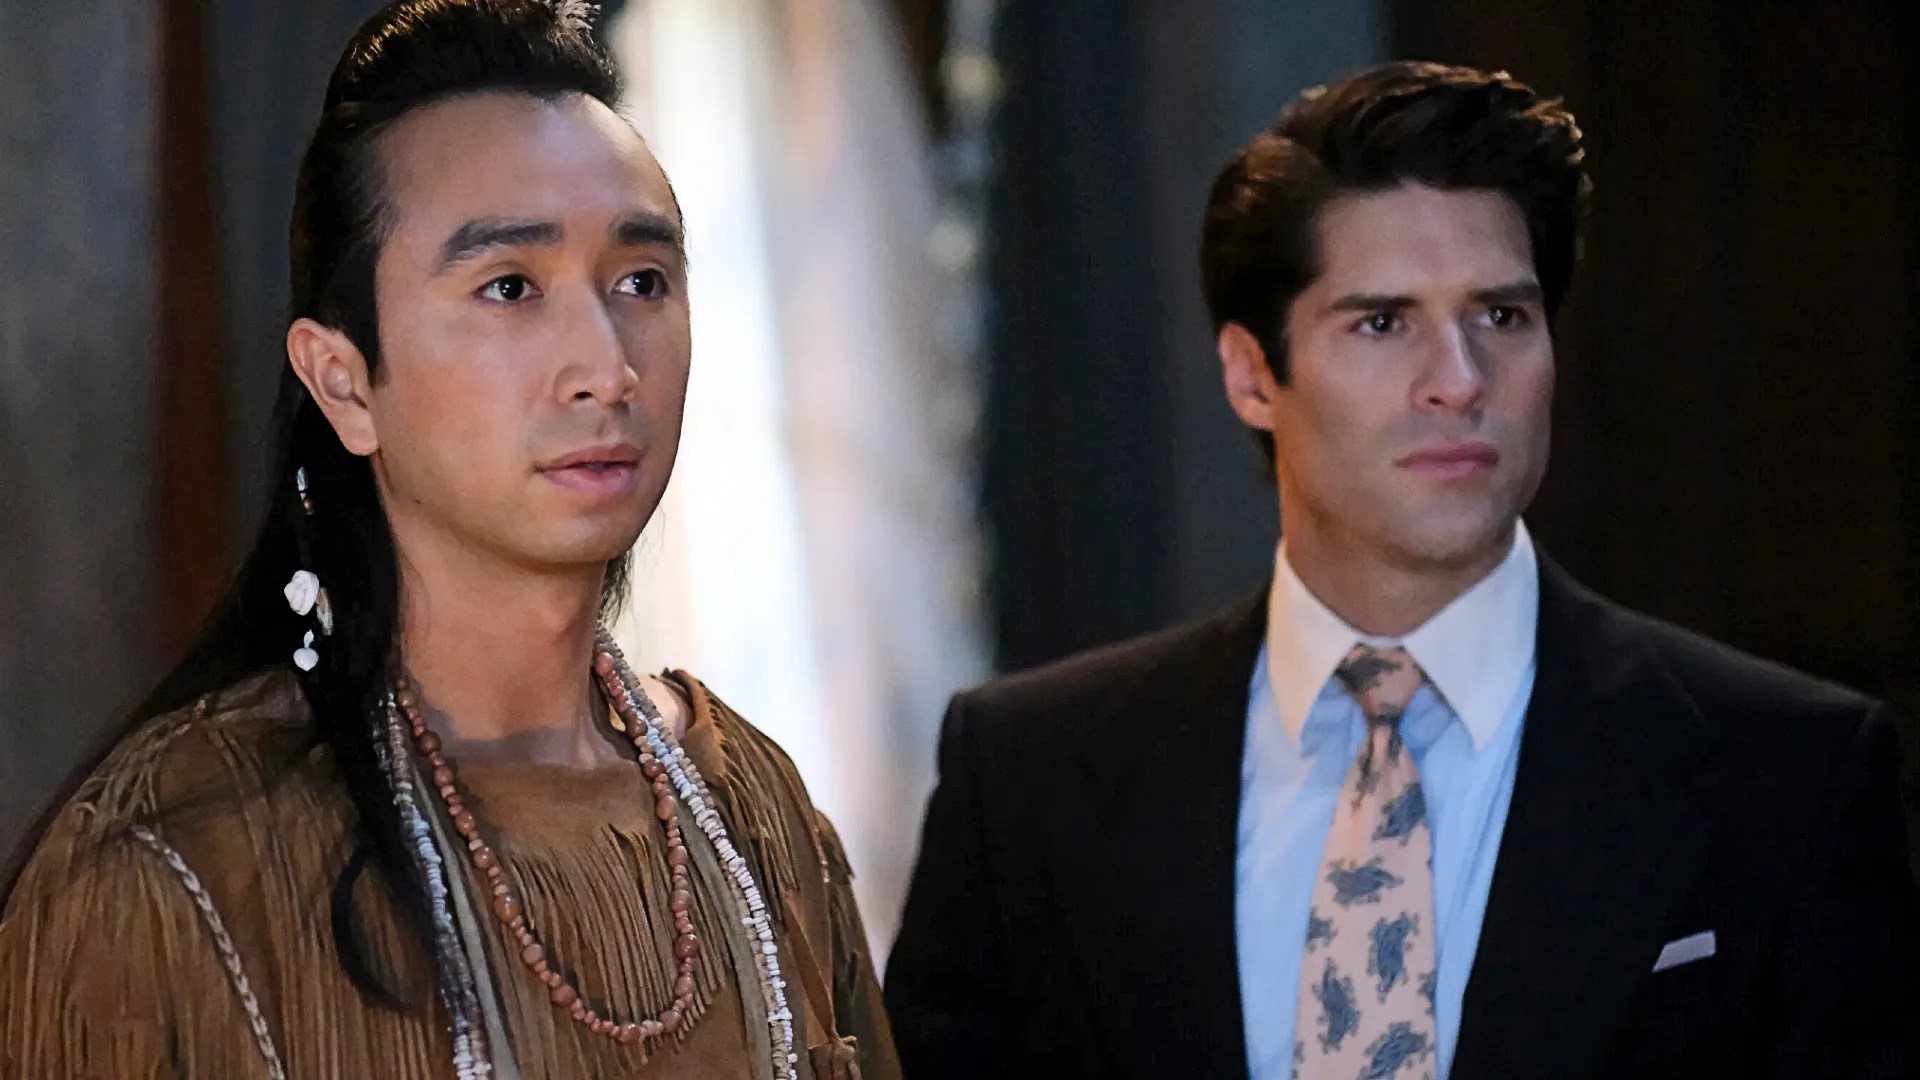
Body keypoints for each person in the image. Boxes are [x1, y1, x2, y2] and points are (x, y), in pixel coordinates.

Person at [885, 61, 1920, 1079]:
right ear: (1252, 375)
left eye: (1501, 316)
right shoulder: (1028, 781)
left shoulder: (1790, 776)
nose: (1460, 381)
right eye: (1383, 323)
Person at [0, 3, 896, 1077]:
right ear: (344, 382)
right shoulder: (175, 865)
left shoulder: (754, 813)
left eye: (641, 282)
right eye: (510, 287)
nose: (607, 368)